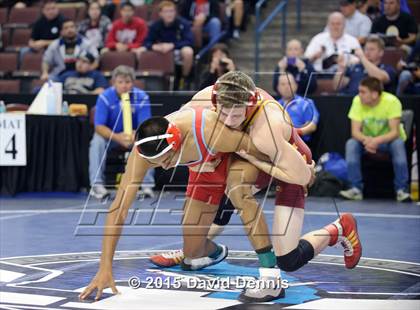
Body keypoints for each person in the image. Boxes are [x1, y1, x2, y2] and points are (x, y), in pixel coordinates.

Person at [150, 71, 362, 302]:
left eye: (237, 114)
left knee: (288, 259)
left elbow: (302, 177)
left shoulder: (266, 128)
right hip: (250, 156)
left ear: (249, 105)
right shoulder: (206, 98)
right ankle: (195, 249)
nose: (230, 120)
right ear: (214, 102)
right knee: (224, 185)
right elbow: (181, 117)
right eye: (224, 113)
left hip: (288, 169)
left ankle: (338, 229)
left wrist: (252, 158)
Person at [79, 74, 279, 301]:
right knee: (192, 255)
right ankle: (212, 251)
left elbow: (262, 150)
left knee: (238, 189)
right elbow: (118, 210)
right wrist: (105, 267)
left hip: (228, 147)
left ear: (177, 143)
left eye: (167, 159)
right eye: (157, 163)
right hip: (204, 163)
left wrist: (294, 168)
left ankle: (271, 276)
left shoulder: (213, 129)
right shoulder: (142, 154)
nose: (163, 166)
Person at [339, 76, 411, 202]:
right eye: (359, 91)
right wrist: (368, 141)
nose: (359, 95)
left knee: (398, 144)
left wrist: (376, 141)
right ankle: (356, 189)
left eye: (363, 92)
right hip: (366, 141)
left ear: (374, 94)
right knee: (351, 144)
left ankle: (402, 190)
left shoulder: (392, 101)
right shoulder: (357, 101)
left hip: (388, 141)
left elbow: (394, 133)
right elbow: (355, 132)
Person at [89, 65, 154, 199]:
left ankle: (147, 186)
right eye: (120, 82)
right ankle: (97, 186)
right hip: (112, 137)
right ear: (113, 83)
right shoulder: (105, 97)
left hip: (134, 136)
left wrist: (134, 135)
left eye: (127, 82)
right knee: (97, 141)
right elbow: (99, 126)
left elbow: (145, 125)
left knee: (148, 138)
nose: (124, 86)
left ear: (133, 83)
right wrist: (118, 138)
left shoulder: (142, 97)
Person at [142, 0, 194, 86]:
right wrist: (154, 46)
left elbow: (189, 41)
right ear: (160, 13)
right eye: (166, 11)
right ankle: (147, 79)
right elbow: (146, 42)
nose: (169, 14)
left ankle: (184, 79)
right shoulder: (155, 25)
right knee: (141, 50)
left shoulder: (183, 23)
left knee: (188, 51)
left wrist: (172, 45)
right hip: (160, 51)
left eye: (171, 11)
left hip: (177, 49)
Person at [276, 73, 319, 142]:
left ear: (296, 86)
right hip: (277, 143)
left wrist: (294, 133)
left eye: (289, 83)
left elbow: (312, 126)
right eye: (283, 84)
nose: (287, 87)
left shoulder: (306, 104)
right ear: (278, 88)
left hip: (298, 144)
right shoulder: (274, 105)